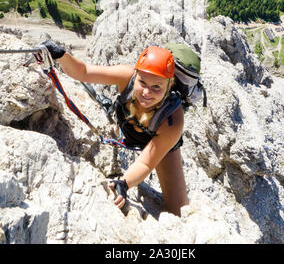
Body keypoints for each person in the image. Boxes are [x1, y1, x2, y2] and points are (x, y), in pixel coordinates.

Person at [43, 41, 189, 217]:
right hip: (127, 129)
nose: (147, 92)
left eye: (156, 87)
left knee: (179, 210)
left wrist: (124, 184)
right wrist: (60, 55)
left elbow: (146, 162)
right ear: (135, 76)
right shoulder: (126, 76)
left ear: (169, 86)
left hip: (162, 148)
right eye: (142, 82)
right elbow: (83, 71)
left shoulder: (173, 119)